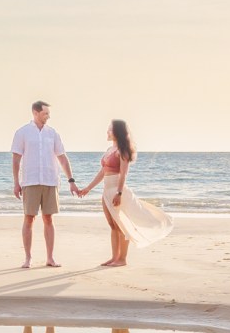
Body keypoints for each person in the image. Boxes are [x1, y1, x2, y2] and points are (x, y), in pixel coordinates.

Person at [77, 119, 173, 266]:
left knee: (121, 225)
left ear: (117, 132)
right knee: (112, 225)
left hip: (117, 190)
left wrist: (119, 193)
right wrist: (88, 188)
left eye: (109, 129)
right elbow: (103, 172)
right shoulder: (109, 150)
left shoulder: (123, 151)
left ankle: (122, 259)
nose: (107, 132)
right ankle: (114, 257)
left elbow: (123, 174)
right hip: (106, 191)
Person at [11, 100, 78, 268]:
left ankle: (50, 258)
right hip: (30, 181)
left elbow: (62, 157)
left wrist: (71, 180)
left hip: (50, 180)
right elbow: (16, 159)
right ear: (35, 113)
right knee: (29, 218)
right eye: (45, 113)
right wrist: (16, 183)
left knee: (49, 219)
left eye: (48, 113)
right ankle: (28, 258)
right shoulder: (22, 132)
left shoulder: (52, 133)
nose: (48, 116)